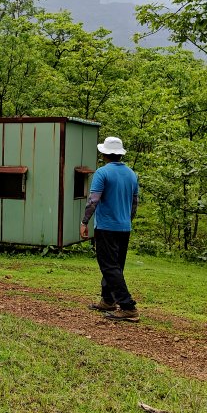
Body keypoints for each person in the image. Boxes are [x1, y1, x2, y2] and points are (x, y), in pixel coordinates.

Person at [79, 136, 140, 321]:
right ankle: (108, 300)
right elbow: (134, 203)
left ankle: (128, 306)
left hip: (106, 227)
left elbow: (93, 200)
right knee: (116, 266)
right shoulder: (131, 174)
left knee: (108, 265)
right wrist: (127, 220)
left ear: (104, 153)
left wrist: (84, 222)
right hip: (124, 227)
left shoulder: (102, 173)